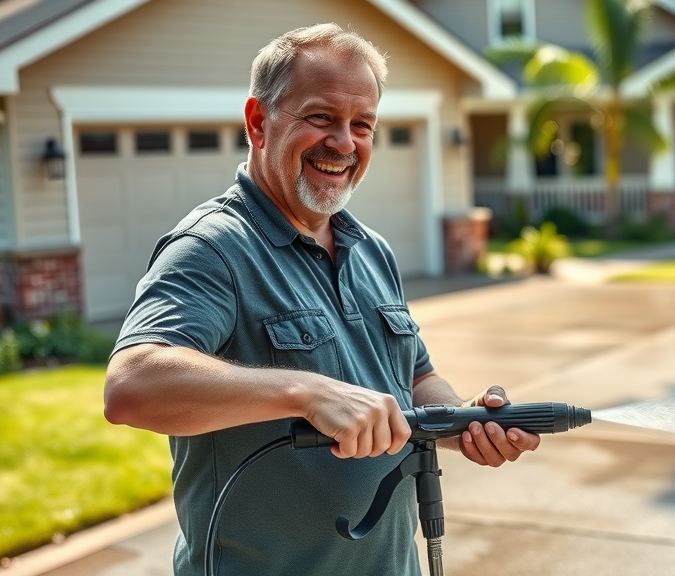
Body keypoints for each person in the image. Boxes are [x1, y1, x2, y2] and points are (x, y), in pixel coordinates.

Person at [103, 23, 539, 576]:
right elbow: (132, 386)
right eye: (320, 118)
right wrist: (306, 391)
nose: (344, 143)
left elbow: (413, 377)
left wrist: (460, 420)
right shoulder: (212, 248)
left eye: (362, 125)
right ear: (258, 123)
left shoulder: (369, 249)